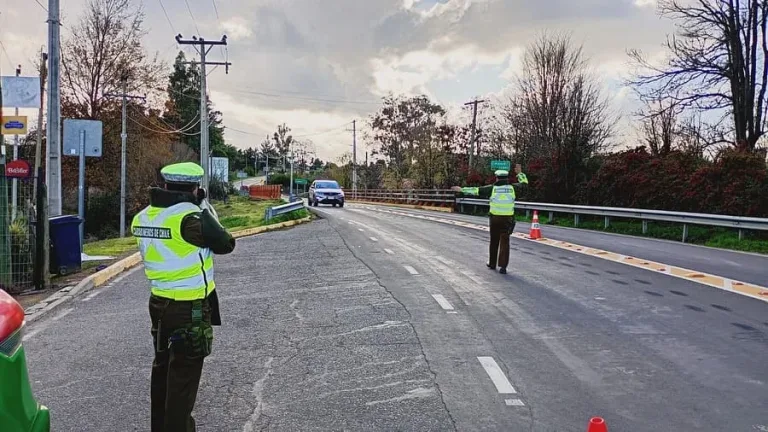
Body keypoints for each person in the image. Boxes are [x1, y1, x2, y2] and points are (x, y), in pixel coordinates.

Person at [131, 162, 236, 432]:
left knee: (163, 371)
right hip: (189, 308)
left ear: (165, 185)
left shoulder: (144, 216)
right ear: (195, 187)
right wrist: (202, 206)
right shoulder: (190, 219)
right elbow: (225, 242)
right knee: (183, 381)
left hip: (158, 303)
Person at [452, 164, 528, 274]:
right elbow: (525, 185)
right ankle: (503, 267)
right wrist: (520, 173)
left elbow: (477, 190)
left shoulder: (492, 189)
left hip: (495, 218)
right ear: (506, 178)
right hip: (508, 219)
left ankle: (492, 263)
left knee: (494, 241)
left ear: (497, 178)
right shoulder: (513, 188)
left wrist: (462, 189)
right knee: (505, 242)